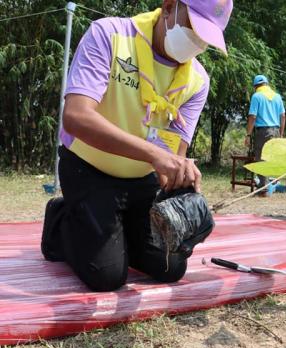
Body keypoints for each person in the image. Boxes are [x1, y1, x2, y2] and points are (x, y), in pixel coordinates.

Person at [41, 0, 233, 292]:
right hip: (88, 168)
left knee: (171, 266)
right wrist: (154, 154)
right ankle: (61, 221)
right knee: (106, 276)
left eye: (205, 38)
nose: (196, 43)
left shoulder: (197, 81)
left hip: (141, 179)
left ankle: (112, 228)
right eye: (193, 29)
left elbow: (173, 153)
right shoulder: (109, 35)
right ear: (168, 7)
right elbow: (76, 117)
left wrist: (181, 186)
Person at [245, 75, 285, 197]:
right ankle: (271, 184)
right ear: (267, 84)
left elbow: (253, 116)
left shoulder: (256, 96)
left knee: (261, 159)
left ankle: (264, 189)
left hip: (263, 131)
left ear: (255, 86)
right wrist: (281, 134)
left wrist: (248, 134)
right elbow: (283, 116)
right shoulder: (277, 96)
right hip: (276, 130)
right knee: (272, 158)